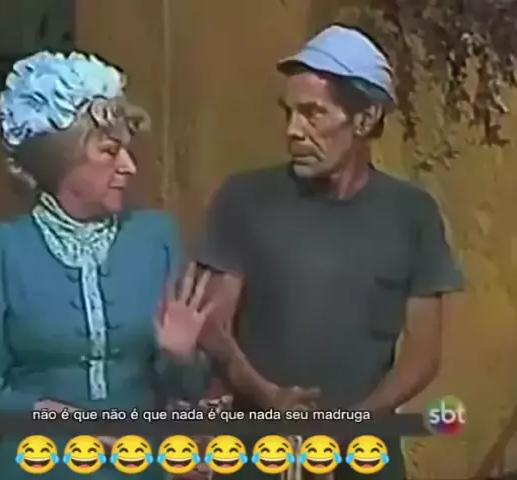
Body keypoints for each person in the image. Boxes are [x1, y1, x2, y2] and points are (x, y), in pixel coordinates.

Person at [195, 25, 464, 480]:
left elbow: (423, 353)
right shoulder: (245, 199)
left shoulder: (411, 214)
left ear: (365, 119)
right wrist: (268, 397)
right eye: (289, 114)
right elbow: (212, 325)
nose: (293, 131)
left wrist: (351, 423)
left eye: (313, 114)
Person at [0, 51, 214, 479]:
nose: (129, 167)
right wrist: (52, 415)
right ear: (61, 158)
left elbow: (187, 389)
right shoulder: (1, 248)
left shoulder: (155, 236)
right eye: (110, 152)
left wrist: (181, 358)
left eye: (127, 151)